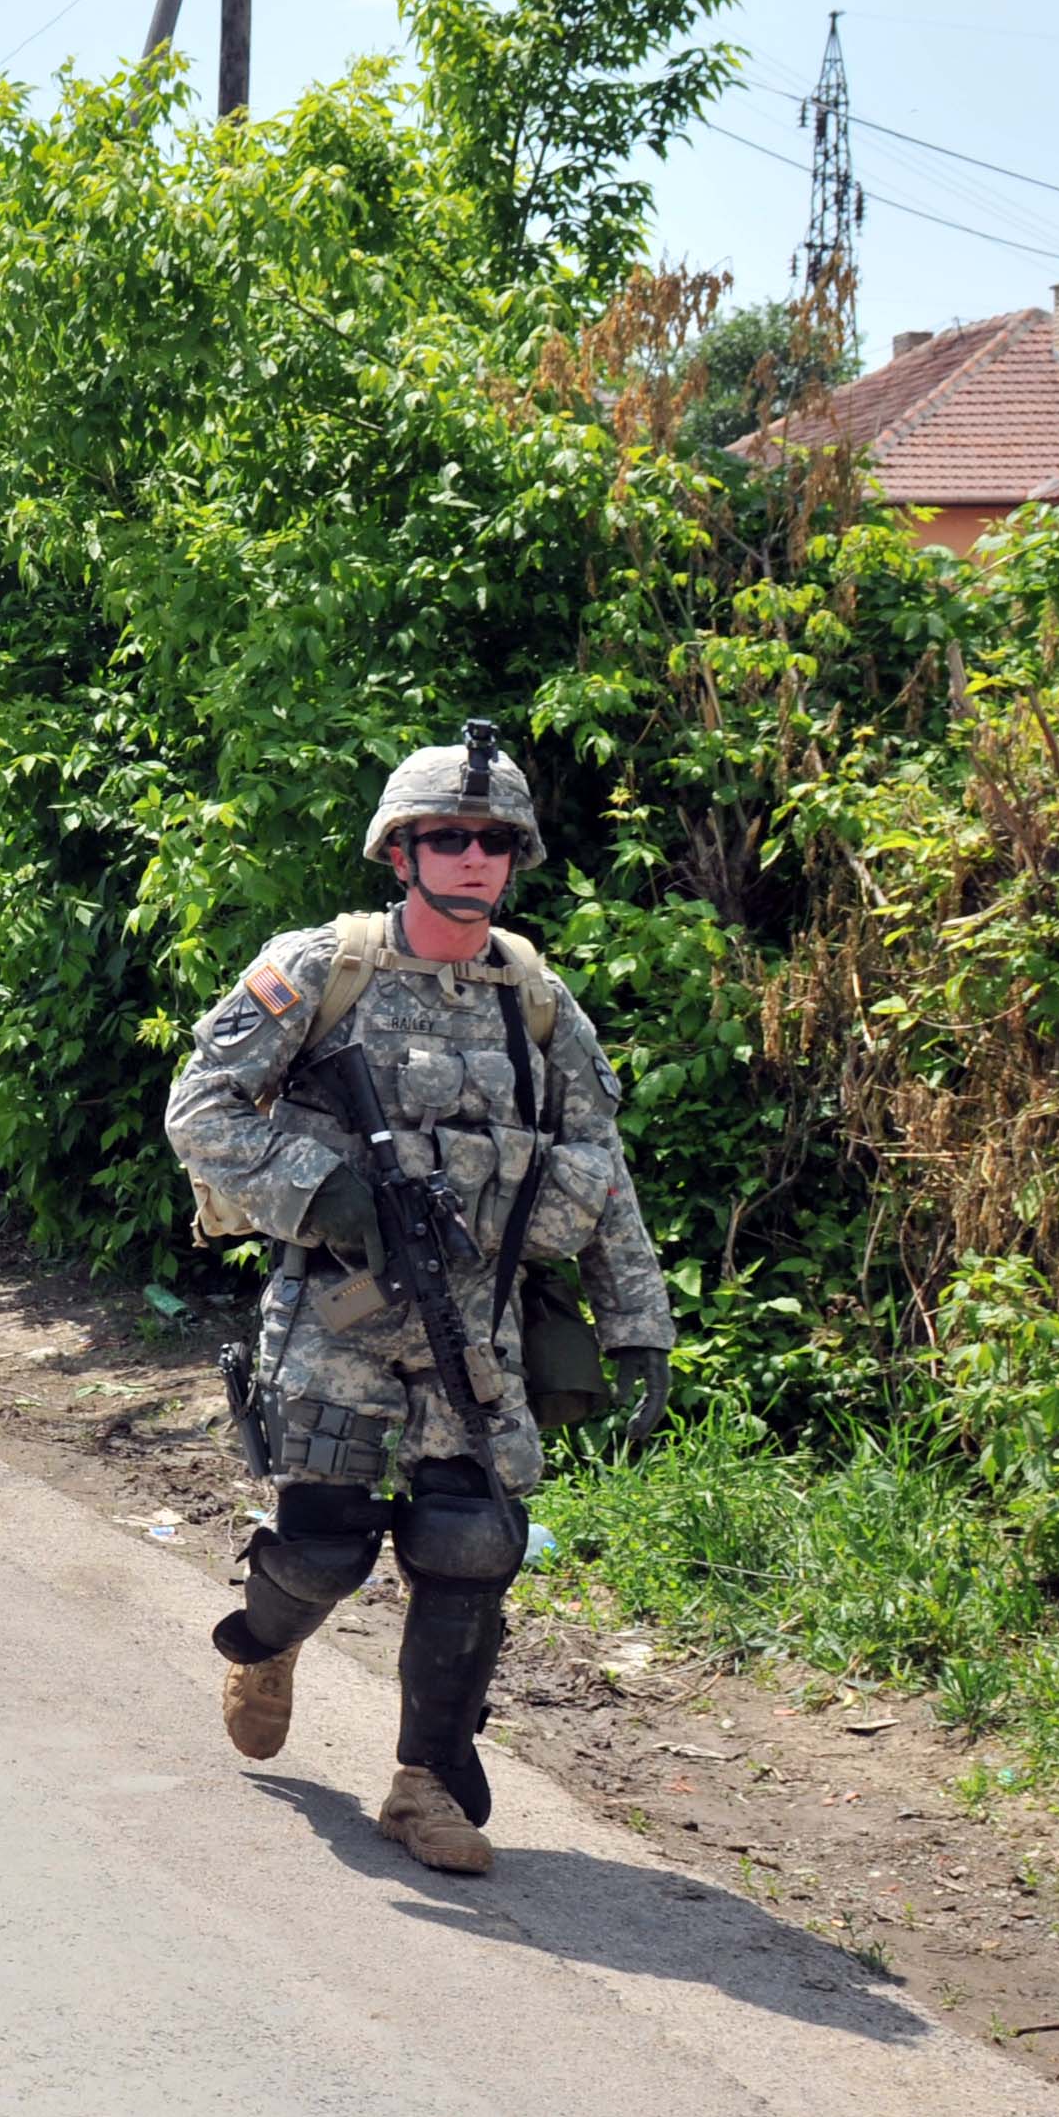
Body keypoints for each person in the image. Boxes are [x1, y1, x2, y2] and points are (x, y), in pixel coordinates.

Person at [165, 724, 672, 1877]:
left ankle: (425, 1783)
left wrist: (635, 1324)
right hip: (339, 1313)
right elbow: (199, 1109)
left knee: (470, 1544)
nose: (471, 856)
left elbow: (596, 1166)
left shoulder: (537, 1000)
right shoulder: (318, 968)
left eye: (492, 840)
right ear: (400, 851)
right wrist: (322, 1188)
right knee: (327, 1544)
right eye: (445, 835)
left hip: (477, 1323)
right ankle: (259, 1642)